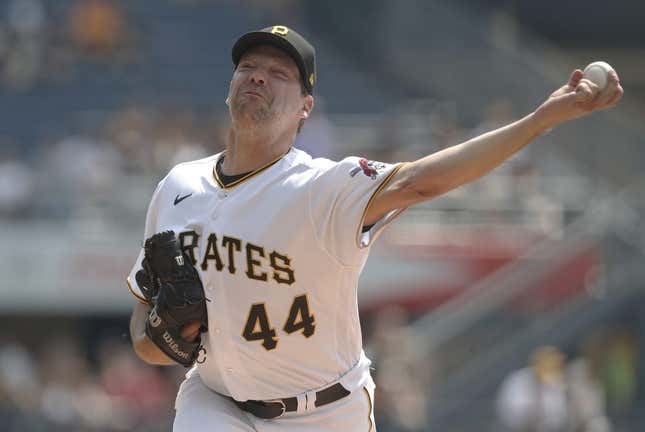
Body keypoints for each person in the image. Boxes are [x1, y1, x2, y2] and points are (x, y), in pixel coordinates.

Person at [126, 25, 623, 431]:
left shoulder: (324, 187)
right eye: (247, 68)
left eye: (278, 73)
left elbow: (423, 181)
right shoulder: (177, 185)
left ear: (306, 108)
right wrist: (161, 334)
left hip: (323, 414)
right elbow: (143, 331)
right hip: (215, 402)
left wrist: (540, 119)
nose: (257, 77)